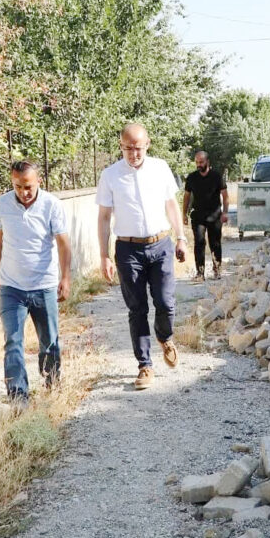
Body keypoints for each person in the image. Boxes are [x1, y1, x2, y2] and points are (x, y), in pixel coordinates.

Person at [97, 123, 188, 390]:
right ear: (120, 146)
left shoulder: (160, 168)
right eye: (128, 148)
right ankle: (145, 365)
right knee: (137, 309)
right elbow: (103, 218)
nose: (133, 153)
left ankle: (165, 337)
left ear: (147, 143)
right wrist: (104, 256)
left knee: (165, 303)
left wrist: (181, 237)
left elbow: (171, 205)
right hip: (128, 250)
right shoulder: (110, 175)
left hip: (160, 245)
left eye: (138, 148)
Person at [0, 161, 72, 404]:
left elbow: (64, 243)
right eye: (17, 186)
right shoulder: (2, 204)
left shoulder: (51, 205)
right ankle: (18, 397)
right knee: (13, 341)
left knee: (49, 342)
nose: (23, 192)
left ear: (38, 182)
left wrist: (65, 277)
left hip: (44, 285)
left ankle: (52, 383)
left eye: (28, 186)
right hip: (12, 287)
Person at [182, 150, 228, 281]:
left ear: (208, 162)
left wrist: (224, 212)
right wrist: (184, 214)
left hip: (214, 215)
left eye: (201, 162)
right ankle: (200, 273)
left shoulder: (217, 176)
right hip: (198, 216)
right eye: (196, 162)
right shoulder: (191, 178)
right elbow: (186, 197)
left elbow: (225, 196)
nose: (198, 164)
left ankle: (217, 270)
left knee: (215, 243)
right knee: (199, 242)